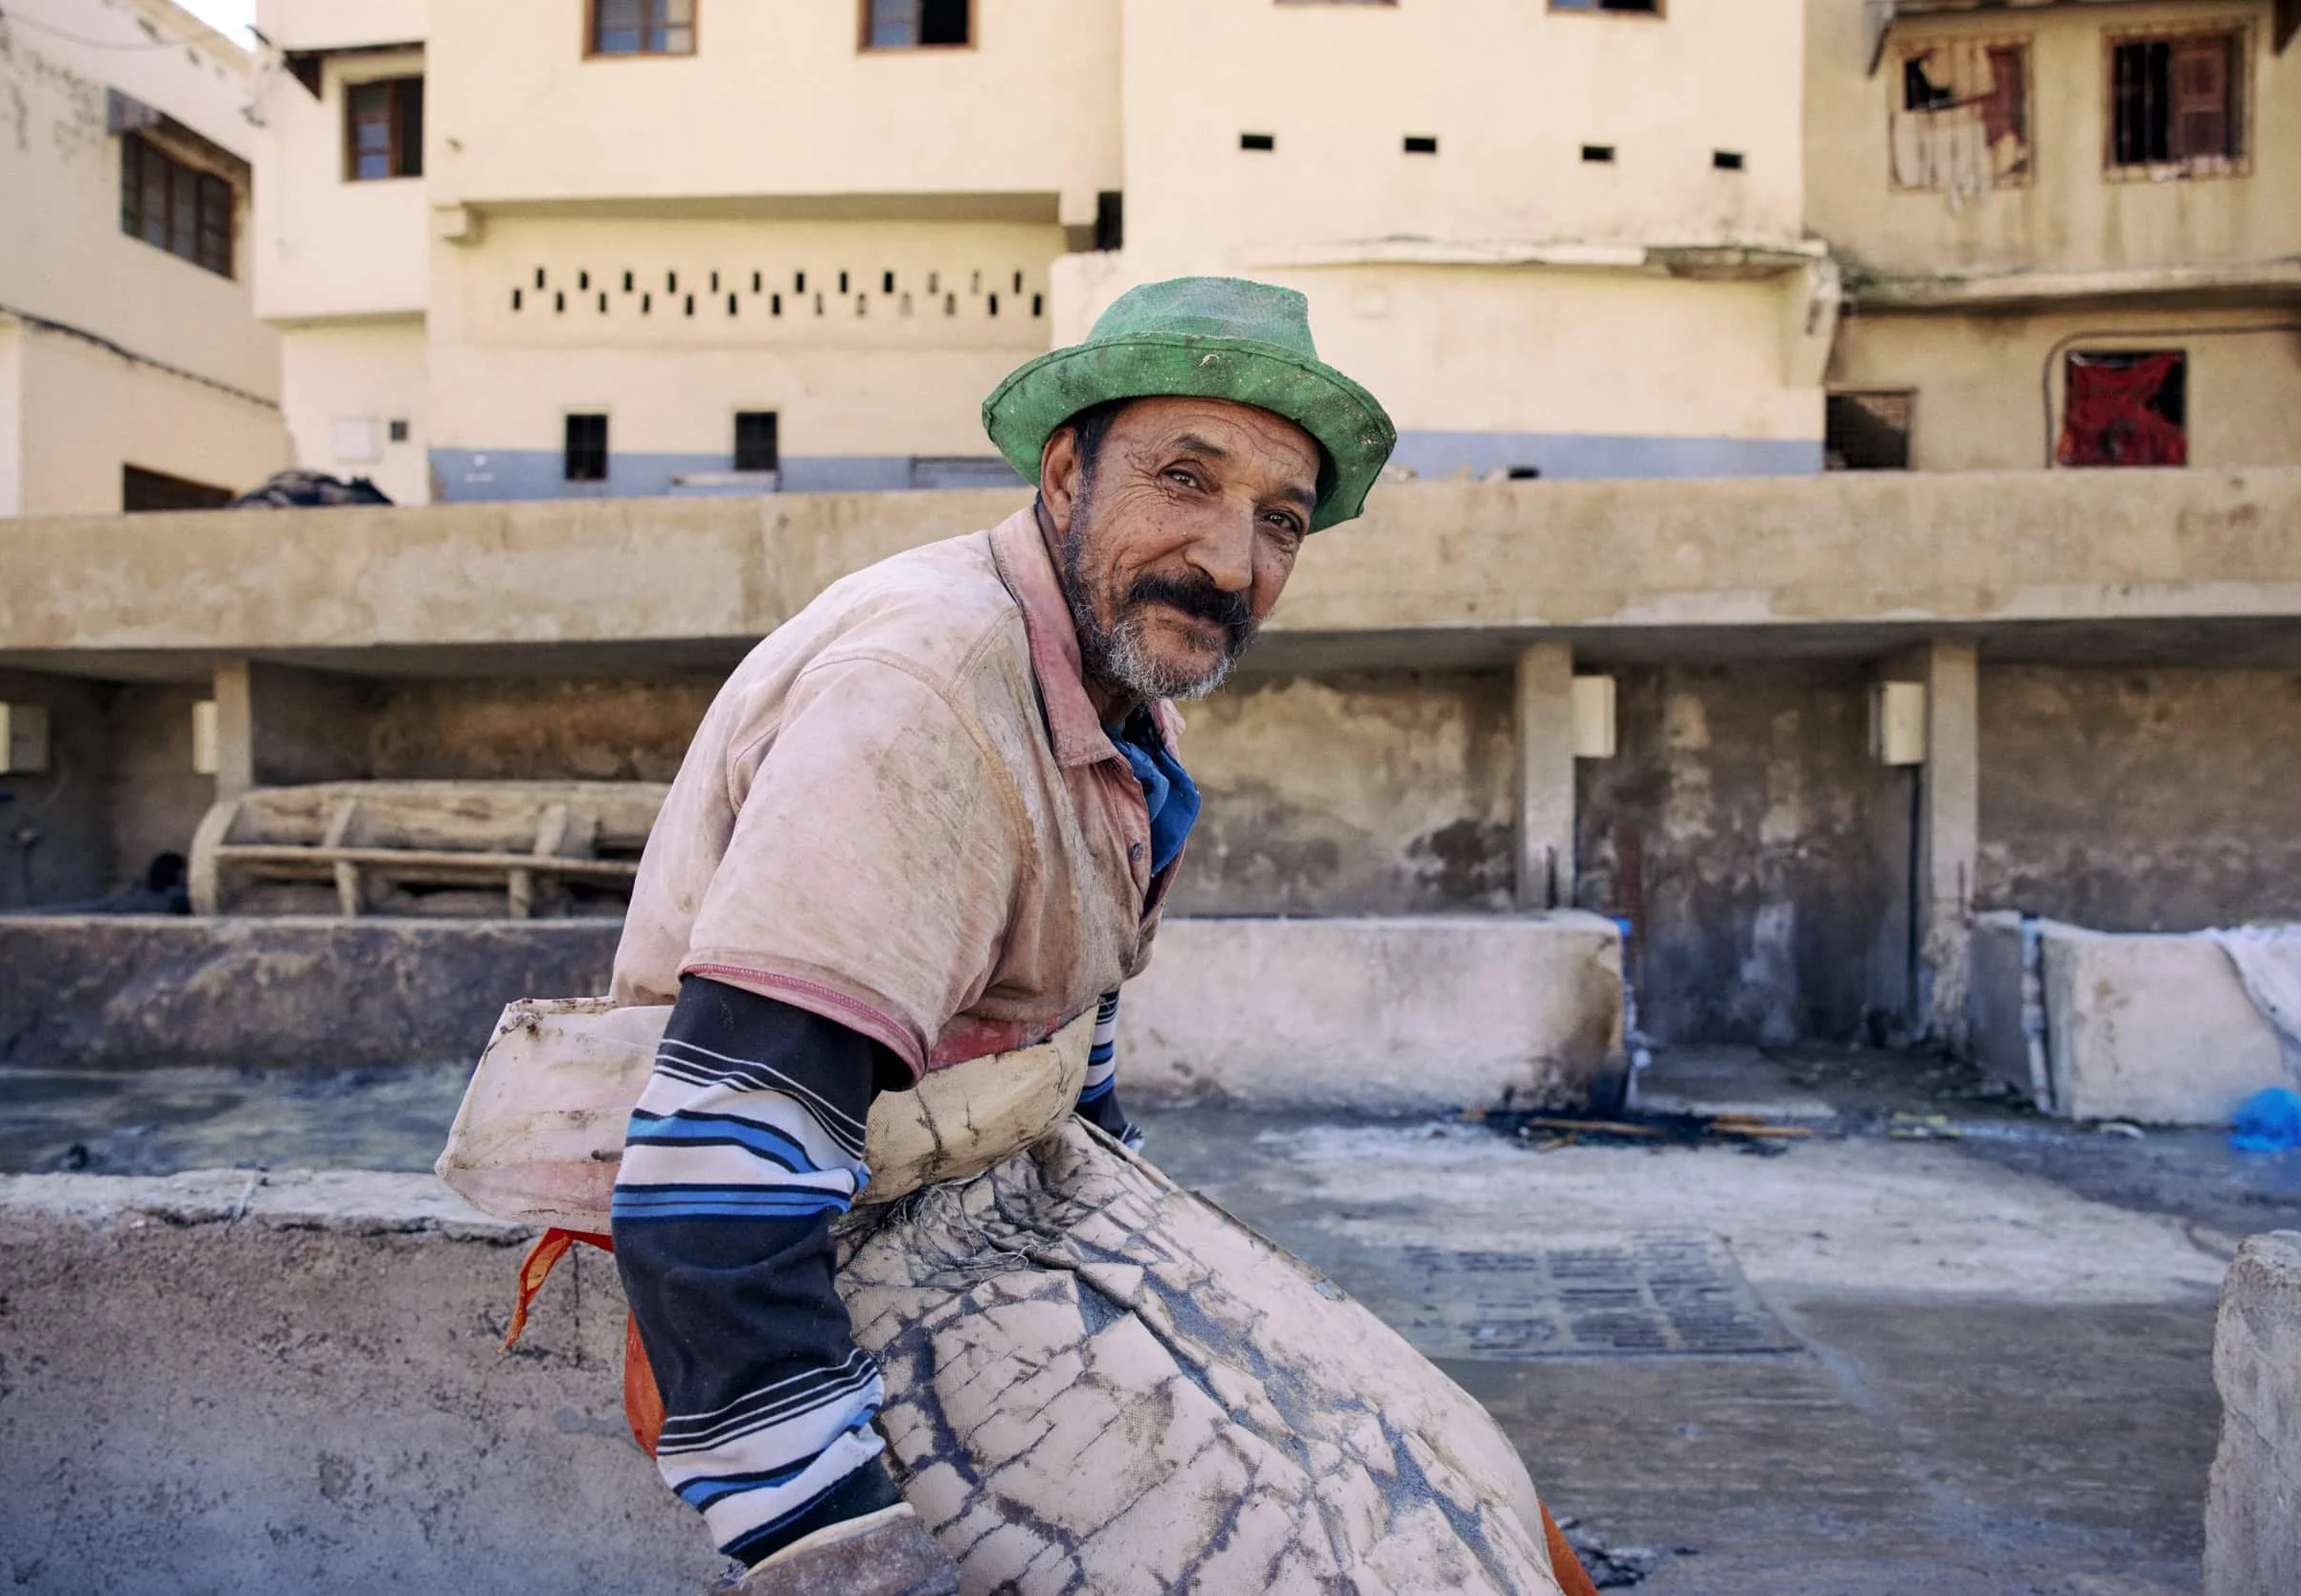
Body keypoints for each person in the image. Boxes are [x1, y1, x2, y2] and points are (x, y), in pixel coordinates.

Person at [597, 278, 1581, 1595]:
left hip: (1013, 1203)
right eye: (1185, 478)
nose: (1230, 562)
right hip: (833, 1268)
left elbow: (1073, 1034)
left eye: (1280, 521)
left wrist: (1156, 1268)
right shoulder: (925, 698)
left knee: (1455, 1467)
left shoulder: (1119, 704)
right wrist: (826, 1537)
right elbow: (717, 1176)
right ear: (1066, 474)